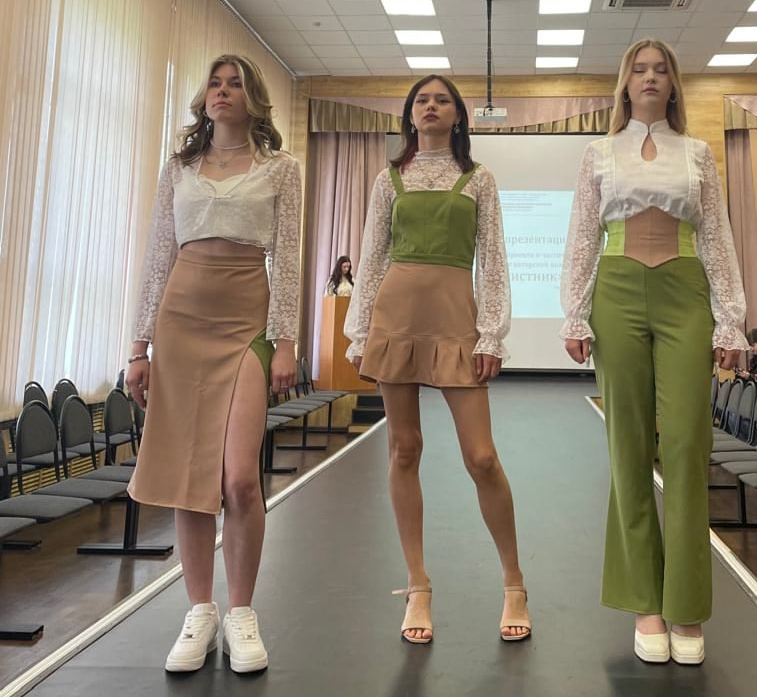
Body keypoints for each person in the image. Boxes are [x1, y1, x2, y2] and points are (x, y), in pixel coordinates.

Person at [560, 39, 747, 666]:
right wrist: (574, 310)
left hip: (684, 289)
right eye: (638, 69)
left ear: (673, 84)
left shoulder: (697, 152)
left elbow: (715, 235)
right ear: (624, 83)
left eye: (660, 69)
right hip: (615, 290)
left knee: (689, 443)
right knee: (628, 445)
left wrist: (730, 321)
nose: (649, 77)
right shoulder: (598, 152)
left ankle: (686, 604)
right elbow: (583, 234)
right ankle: (644, 601)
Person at [125, 55, 301, 674]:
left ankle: (242, 612)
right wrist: (138, 347)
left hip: (246, 322)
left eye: (236, 85)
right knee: (189, 475)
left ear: (254, 99)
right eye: (215, 84)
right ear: (204, 98)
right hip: (180, 322)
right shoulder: (178, 168)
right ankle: (200, 611)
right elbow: (158, 257)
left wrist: (286, 340)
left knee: (238, 478)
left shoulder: (281, 168)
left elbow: (288, 258)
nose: (223, 92)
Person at [343, 74, 531, 644]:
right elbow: (371, 257)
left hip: (455, 318)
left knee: (482, 457)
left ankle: (514, 582)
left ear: (457, 116)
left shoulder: (480, 179)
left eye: (442, 100)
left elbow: (493, 260)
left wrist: (491, 335)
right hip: (395, 316)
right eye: (421, 100)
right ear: (409, 115)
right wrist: (359, 333)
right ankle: (418, 585)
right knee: (404, 449)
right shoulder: (388, 179)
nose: (430, 106)